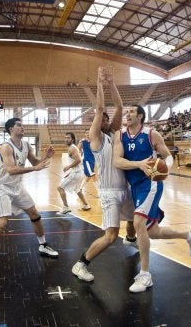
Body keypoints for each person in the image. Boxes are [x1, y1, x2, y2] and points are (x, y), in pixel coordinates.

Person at [113, 104, 191, 293]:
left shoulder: (151, 134)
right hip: (135, 186)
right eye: (126, 112)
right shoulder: (121, 135)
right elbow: (117, 161)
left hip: (150, 184)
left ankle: (145, 276)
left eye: (131, 112)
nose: (127, 115)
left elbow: (168, 157)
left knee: (138, 223)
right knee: (153, 233)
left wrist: (162, 167)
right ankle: (188, 235)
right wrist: (139, 164)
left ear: (141, 116)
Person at [72, 66, 137, 282]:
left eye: (108, 119)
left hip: (124, 188)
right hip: (109, 192)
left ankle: (130, 238)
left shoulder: (113, 135)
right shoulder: (96, 138)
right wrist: (99, 82)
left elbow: (118, 105)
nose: (106, 120)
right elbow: (100, 108)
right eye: (103, 119)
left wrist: (111, 82)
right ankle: (81, 264)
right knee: (110, 237)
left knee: (134, 218)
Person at [0, 117, 58, 272]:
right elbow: (11, 170)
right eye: (19, 125)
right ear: (11, 129)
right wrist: (34, 169)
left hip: (17, 186)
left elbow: (35, 163)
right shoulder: (6, 147)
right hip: (2, 187)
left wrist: (46, 157)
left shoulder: (26, 145)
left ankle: (43, 245)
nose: (23, 127)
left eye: (22, 125)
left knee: (34, 214)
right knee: (2, 223)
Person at [57, 132, 91, 214]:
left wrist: (68, 167)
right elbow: (78, 162)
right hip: (78, 172)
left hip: (76, 173)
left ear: (72, 139)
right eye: (65, 138)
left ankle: (66, 207)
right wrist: (70, 172)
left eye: (68, 138)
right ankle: (86, 205)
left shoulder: (72, 148)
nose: (66, 139)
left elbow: (78, 160)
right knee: (78, 190)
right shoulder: (73, 147)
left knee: (60, 188)